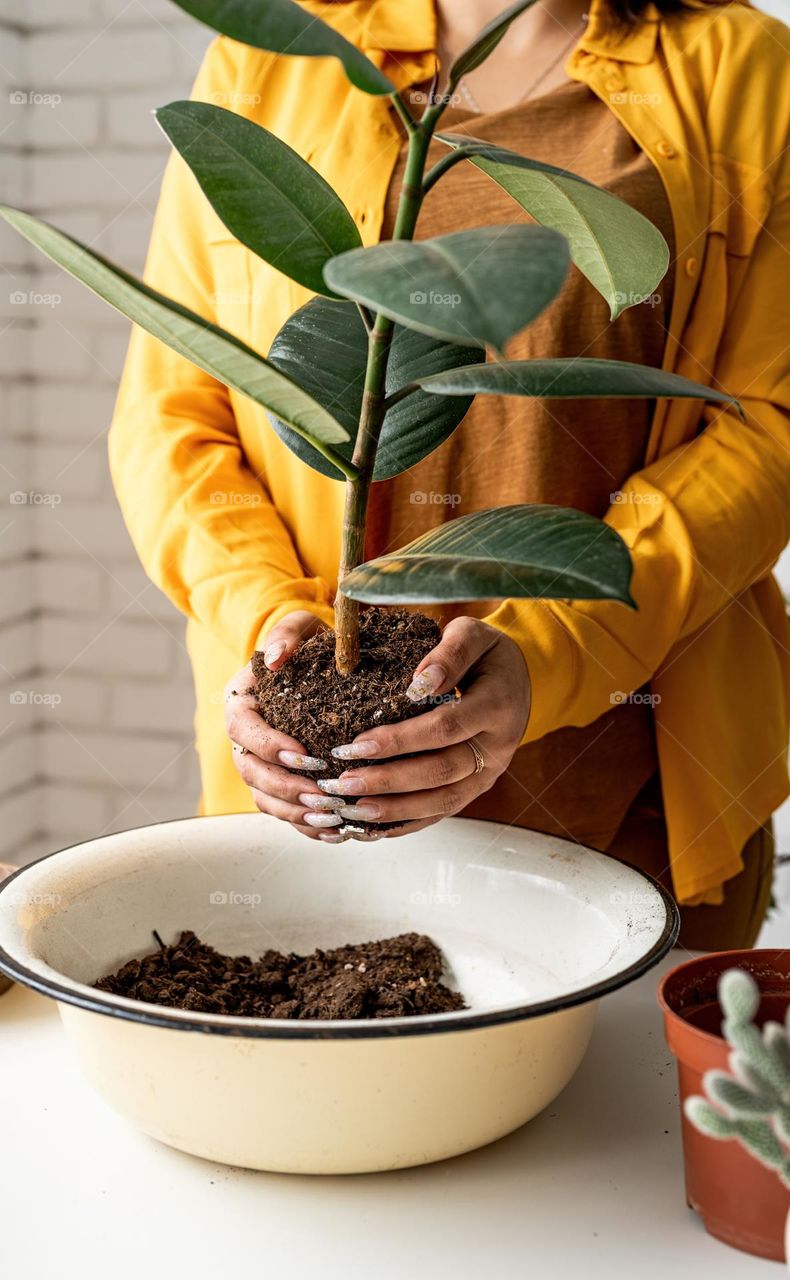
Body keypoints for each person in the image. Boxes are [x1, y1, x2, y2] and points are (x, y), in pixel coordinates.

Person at [109, 0, 790, 947]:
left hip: (628, 784)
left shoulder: (742, 67)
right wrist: (271, 628)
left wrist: (549, 650)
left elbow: (767, 426)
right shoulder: (273, 57)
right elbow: (173, 410)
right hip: (315, 783)